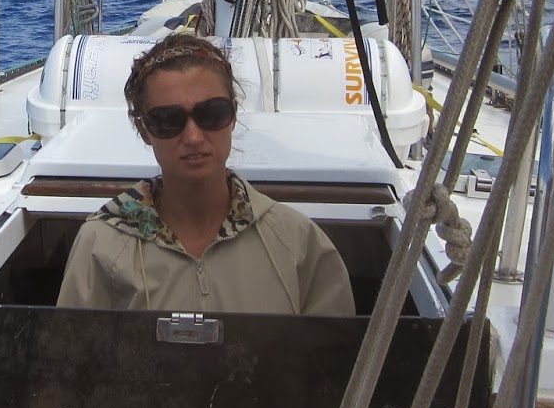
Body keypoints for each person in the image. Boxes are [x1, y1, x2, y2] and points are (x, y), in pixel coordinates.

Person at [57, 34, 355, 314]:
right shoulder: (101, 245)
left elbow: (335, 362)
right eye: (167, 120)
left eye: (211, 113)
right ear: (143, 129)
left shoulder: (298, 244)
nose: (194, 137)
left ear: (233, 116)